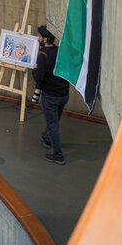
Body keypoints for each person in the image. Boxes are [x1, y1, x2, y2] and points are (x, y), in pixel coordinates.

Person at [33, 26, 70, 165]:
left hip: (51, 97)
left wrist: (34, 69)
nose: (38, 38)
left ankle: (58, 155)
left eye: (39, 36)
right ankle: (47, 138)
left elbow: (39, 78)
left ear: (45, 39)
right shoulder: (60, 52)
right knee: (54, 120)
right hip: (64, 94)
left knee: (53, 124)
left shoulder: (43, 56)